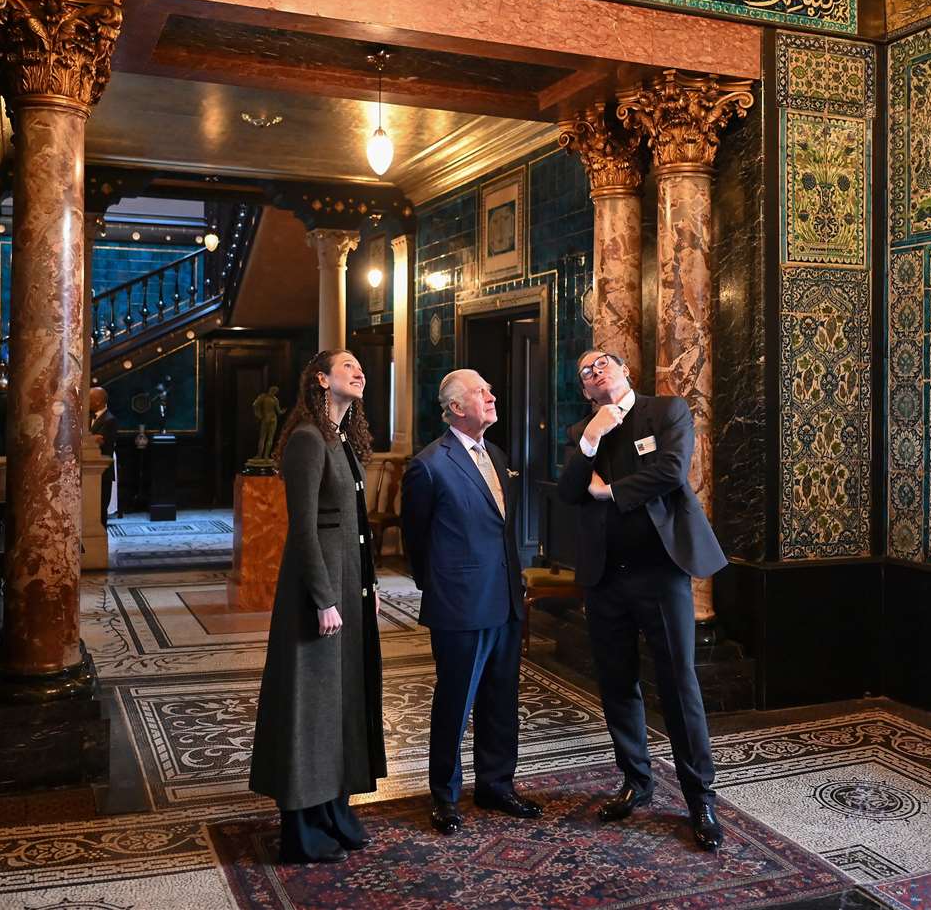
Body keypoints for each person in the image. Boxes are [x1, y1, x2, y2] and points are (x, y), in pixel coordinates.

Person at [557, 350, 729, 852]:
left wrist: (609, 492)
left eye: (602, 363)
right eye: (585, 371)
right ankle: (637, 781)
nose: (594, 371)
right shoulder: (580, 433)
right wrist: (592, 436)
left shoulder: (666, 411)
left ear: (625, 370)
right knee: (616, 683)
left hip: (660, 574)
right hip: (605, 577)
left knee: (679, 683)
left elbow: (671, 472)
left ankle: (700, 797)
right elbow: (569, 491)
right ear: (586, 391)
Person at [249, 350, 387, 863]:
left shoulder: (343, 439)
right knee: (311, 707)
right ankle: (303, 827)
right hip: (316, 596)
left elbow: (354, 531)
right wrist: (325, 599)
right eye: (347, 365)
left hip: (350, 590)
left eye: (360, 365)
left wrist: (366, 592)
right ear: (321, 379)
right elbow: (302, 530)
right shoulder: (308, 438)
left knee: (342, 701)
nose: (359, 370)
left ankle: (334, 811)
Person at [401, 370, 539, 835]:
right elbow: (415, 541)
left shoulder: (497, 455)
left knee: (502, 701)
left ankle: (497, 785)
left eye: (489, 388)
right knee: (455, 703)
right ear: (457, 408)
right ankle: (444, 795)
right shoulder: (429, 465)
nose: (492, 395)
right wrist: (442, 587)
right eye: (483, 391)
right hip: (459, 605)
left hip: (505, 601)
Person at [88, 387, 118, 526]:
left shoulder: (110, 420)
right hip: (89, 472)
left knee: (100, 509)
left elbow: (101, 442)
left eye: (90, 398)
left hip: (102, 472)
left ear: (98, 401)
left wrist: (90, 438)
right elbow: (94, 438)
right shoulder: (87, 417)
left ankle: (100, 541)